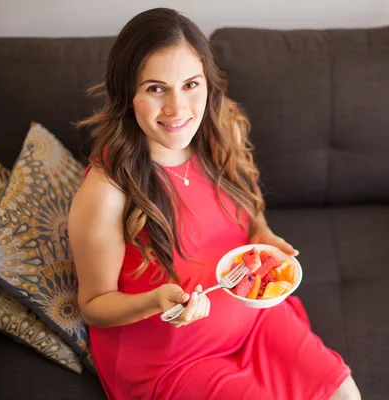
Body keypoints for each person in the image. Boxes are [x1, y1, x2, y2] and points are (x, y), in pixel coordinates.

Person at [68, 7, 361, 400]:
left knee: (345, 395)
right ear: (126, 95)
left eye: (191, 84)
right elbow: (92, 305)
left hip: (254, 319)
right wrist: (155, 301)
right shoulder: (106, 190)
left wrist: (262, 233)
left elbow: (246, 207)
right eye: (156, 88)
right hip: (171, 358)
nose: (178, 108)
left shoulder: (220, 133)